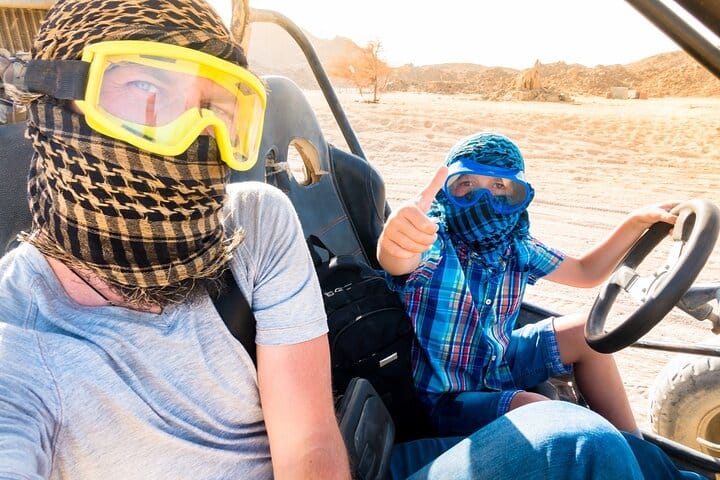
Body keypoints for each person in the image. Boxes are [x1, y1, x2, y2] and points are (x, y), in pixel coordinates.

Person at [0, 1, 704, 479]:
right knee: (564, 432)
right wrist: (404, 242)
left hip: (366, 441)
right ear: (56, 101)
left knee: (587, 441)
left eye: (219, 109)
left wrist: (633, 226)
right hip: (435, 397)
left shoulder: (254, 223)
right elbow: (401, 258)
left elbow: (309, 444)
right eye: (145, 94)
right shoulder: (16, 336)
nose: (189, 138)